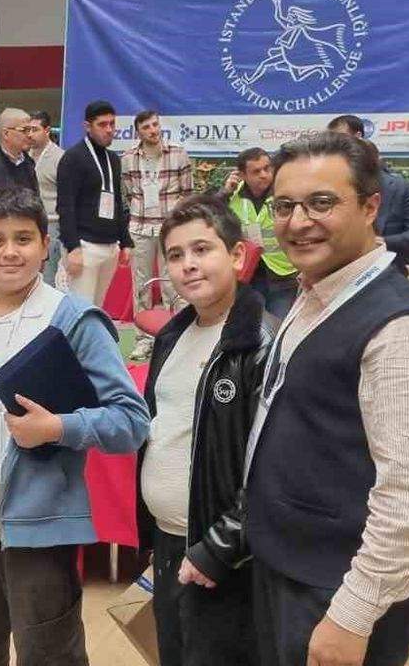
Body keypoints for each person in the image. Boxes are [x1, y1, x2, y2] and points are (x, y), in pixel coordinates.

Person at [0, 187, 149, 666]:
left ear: (46, 246)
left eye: (23, 239)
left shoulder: (72, 319)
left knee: (49, 654)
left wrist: (58, 427)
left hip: (37, 529)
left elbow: (131, 420)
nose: (10, 252)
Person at [245, 132, 409, 666]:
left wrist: (352, 614)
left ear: (370, 207)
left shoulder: (400, 331)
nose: (298, 222)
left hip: (336, 590)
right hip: (288, 566)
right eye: (285, 206)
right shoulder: (315, 291)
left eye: (321, 203)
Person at [135, 195, 273, 666]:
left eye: (202, 249)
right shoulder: (172, 335)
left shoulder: (259, 343)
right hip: (169, 541)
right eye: (175, 255)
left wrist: (219, 548)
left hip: (225, 555)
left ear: (237, 255)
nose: (188, 265)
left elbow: (271, 468)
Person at [122, 110, 195, 361]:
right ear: (138, 132)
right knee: (141, 284)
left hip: (170, 228)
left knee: (173, 281)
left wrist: (177, 221)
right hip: (140, 227)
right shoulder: (128, 158)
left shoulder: (178, 153)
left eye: (155, 125)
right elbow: (128, 193)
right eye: (146, 127)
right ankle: (144, 339)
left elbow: (187, 193)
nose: (153, 130)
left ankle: (178, 336)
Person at [327, 116, 409, 273]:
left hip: (388, 272)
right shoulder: (329, 186)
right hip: (336, 273)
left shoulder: (400, 188)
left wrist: (380, 242)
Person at [57, 100, 133, 307]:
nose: (109, 130)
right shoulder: (73, 158)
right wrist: (72, 247)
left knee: (97, 308)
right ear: (87, 127)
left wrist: (125, 241)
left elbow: (116, 201)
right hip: (84, 246)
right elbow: (66, 205)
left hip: (110, 246)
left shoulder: (113, 159)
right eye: (102, 124)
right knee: (81, 309)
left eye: (112, 124)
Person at [226, 148, 298, 318]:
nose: (264, 175)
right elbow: (213, 221)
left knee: (278, 324)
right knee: (251, 323)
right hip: (249, 275)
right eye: (256, 171)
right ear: (242, 175)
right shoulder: (233, 195)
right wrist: (225, 193)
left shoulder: (285, 191)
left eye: (267, 168)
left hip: (283, 274)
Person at [27, 111, 65, 287]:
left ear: (47, 130)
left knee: (48, 278)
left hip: (52, 224)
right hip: (29, 222)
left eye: (35, 129)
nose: (30, 134)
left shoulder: (60, 157)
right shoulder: (24, 156)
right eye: (28, 130)